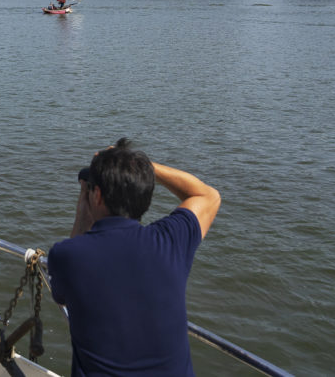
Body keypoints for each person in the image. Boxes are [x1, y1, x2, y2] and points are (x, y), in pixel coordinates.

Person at [47, 138, 221, 376]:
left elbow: (64, 298)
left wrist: (83, 205)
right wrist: (145, 168)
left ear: (96, 195)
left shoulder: (66, 256)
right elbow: (208, 196)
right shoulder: (171, 241)